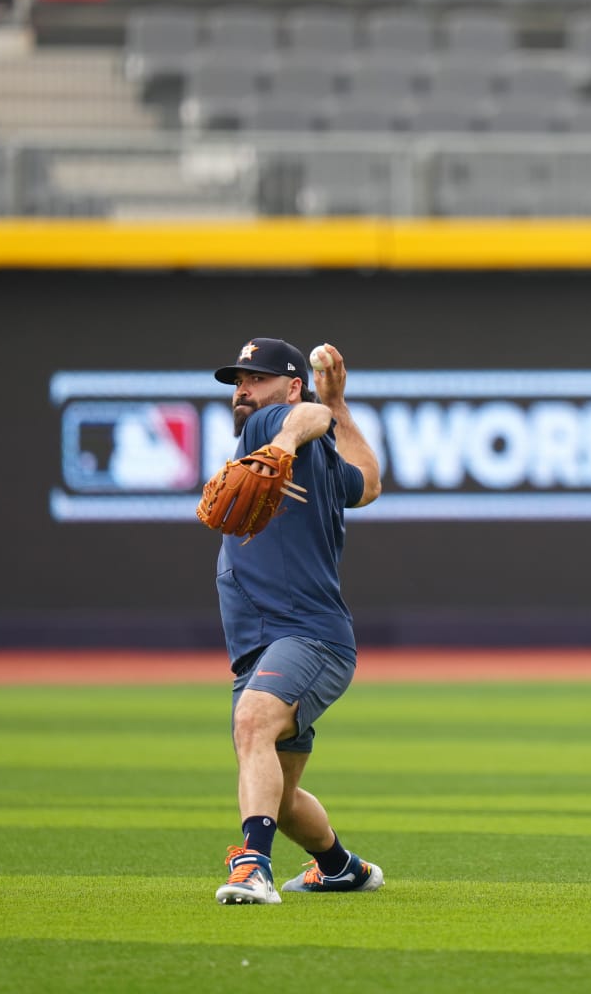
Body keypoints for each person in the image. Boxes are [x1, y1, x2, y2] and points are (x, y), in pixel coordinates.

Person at [209, 336, 384, 905]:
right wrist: (340, 402)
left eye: (255, 379)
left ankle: (251, 868)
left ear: (288, 386)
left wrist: (294, 425)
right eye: (238, 381)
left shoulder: (270, 428)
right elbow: (370, 482)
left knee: (253, 720)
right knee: (279, 798)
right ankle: (340, 867)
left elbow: (307, 415)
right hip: (266, 645)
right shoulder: (320, 460)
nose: (243, 391)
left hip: (307, 638)